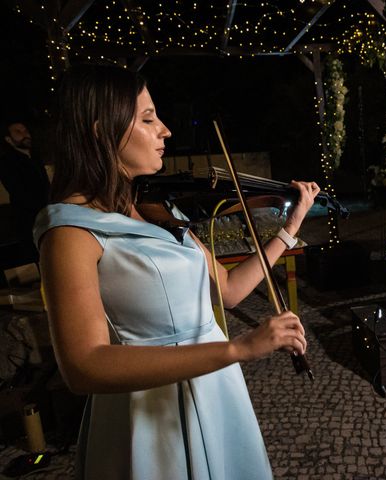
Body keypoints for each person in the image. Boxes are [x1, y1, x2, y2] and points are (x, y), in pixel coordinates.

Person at [34, 64, 320, 479]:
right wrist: (238, 349)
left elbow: (229, 291)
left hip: (216, 387)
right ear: (101, 131)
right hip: (147, 413)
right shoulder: (69, 231)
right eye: (148, 119)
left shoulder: (158, 210)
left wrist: (290, 229)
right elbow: (83, 366)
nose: (165, 130)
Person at [0, 120, 50, 263]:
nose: (25, 135)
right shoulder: (6, 162)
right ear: (8, 139)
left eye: (25, 130)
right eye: (18, 132)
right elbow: (20, 193)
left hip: (47, 215)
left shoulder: (35, 156)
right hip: (29, 220)